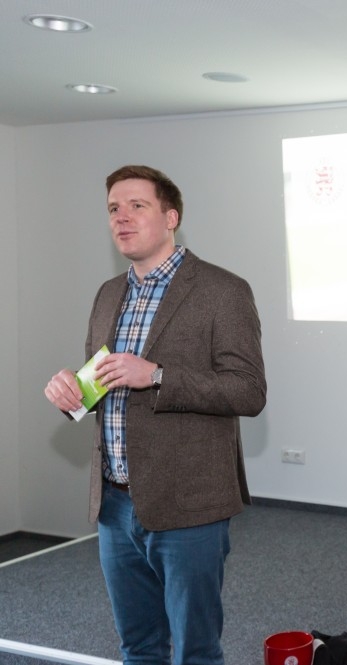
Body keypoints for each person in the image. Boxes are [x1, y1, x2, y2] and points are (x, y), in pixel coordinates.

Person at [43, 165, 267, 665]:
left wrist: (159, 376)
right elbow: (103, 383)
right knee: (138, 648)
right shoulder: (108, 293)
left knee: (195, 651)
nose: (121, 218)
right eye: (113, 209)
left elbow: (249, 391)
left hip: (188, 504)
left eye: (136, 206)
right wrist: (72, 393)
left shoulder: (223, 291)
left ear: (171, 218)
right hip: (115, 505)